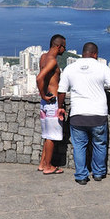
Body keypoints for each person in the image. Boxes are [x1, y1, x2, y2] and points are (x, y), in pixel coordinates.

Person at [56, 42, 110, 185]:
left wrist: (60, 107)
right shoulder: (102, 67)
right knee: (99, 144)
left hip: (77, 115)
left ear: (83, 53)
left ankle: (81, 176)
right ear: (95, 54)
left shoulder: (70, 68)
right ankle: (98, 173)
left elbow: (61, 91)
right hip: (98, 115)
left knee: (79, 146)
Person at [35, 34, 66, 175]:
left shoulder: (43, 57)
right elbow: (40, 77)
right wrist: (43, 94)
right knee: (52, 137)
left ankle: (42, 164)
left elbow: (42, 78)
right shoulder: (52, 61)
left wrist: (42, 96)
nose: (65, 50)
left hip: (44, 104)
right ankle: (48, 166)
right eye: (64, 47)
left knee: (47, 135)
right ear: (58, 46)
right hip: (51, 102)